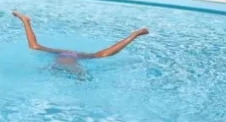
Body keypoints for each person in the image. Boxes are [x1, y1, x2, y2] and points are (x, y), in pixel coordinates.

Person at [12, 11, 148, 77]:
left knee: (35, 47)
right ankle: (25, 20)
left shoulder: (63, 61)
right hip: (69, 56)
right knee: (101, 55)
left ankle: (25, 20)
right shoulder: (67, 61)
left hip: (65, 55)